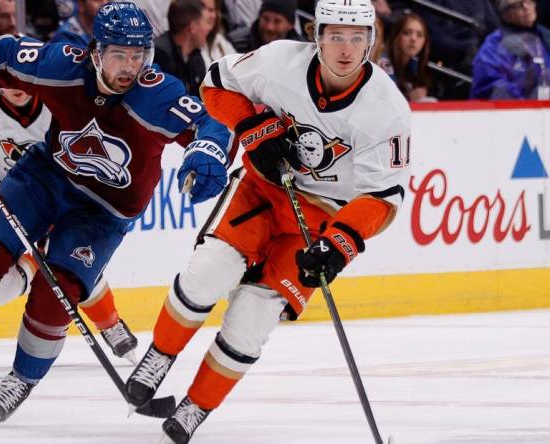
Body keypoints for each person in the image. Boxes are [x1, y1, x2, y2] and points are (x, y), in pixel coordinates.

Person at [0, 1, 233, 427]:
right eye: (118, 55)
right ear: (95, 52)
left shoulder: (158, 93)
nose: (130, 67)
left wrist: (207, 152)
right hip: (45, 179)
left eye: (138, 55)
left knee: (59, 293)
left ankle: (21, 378)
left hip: (104, 212)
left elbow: (211, 123)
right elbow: (3, 54)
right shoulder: (64, 65)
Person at [124, 0, 411, 442]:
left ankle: (196, 407)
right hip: (261, 189)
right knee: (206, 275)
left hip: (324, 218)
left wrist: (339, 245)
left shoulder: (387, 110)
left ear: (372, 40)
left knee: (252, 319)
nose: (346, 49)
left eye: (357, 37)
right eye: (336, 35)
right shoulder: (280, 61)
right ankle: (160, 355)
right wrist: (254, 130)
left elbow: (383, 198)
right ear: (317, 35)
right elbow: (215, 85)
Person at [0, 86, 141, 360]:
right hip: (0, 210)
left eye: (18, 79)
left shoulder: (59, 98)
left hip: (55, 201)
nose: (14, 88)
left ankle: (110, 323)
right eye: (6, 80)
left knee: (73, 266)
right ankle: (39, 260)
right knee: (2, 289)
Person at [471, 0, 550, 100]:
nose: (526, 7)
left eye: (529, 1)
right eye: (519, 5)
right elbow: (493, 87)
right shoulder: (495, 46)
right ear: (506, 15)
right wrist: (528, 110)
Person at [153, 0, 212, 95]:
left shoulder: (195, 55)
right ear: (192, 27)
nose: (209, 28)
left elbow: (203, 97)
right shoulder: (159, 56)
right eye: (206, 22)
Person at [386, 12, 434, 102]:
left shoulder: (414, 65)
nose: (413, 39)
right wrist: (408, 98)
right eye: (407, 33)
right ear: (397, 36)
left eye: (419, 35)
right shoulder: (384, 61)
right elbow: (383, 101)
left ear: (425, 42)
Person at [226, 0, 304, 53]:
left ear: (290, 25)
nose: (269, 27)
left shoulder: (301, 51)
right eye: (265, 19)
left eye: (277, 21)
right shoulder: (236, 43)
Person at [200, 0, 237, 69]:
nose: (212, 16)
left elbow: (238, 69)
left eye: (212, 10)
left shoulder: (220, 42)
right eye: (202, 9)